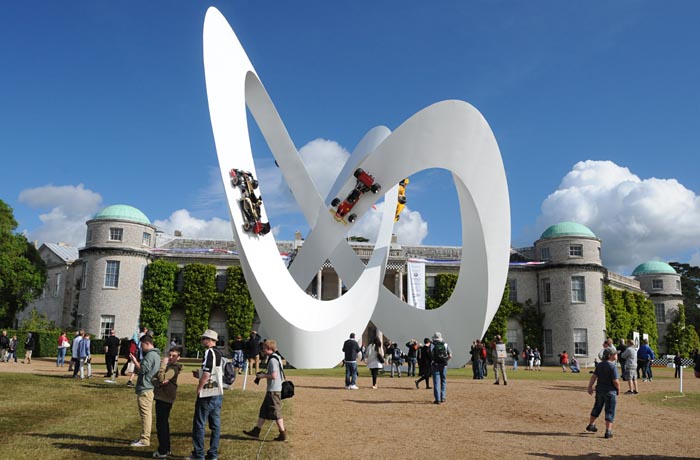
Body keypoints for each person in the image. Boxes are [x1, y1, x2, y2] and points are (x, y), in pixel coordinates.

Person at [187, 329, 223, 460]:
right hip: (218, 392)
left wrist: (199, 388)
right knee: (215, 426)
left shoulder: (209, 352)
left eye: (203, 339)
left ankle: (199, 454)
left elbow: (207, 373)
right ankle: (213, 454)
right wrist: (200, 374)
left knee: (199, 424)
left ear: (209, 340)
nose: (202, 341)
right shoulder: (219, 353)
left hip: (208, 393)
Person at [243, 339, 288, 441]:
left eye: (263, 348)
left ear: (269, 348)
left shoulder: (272, 360)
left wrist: (263, 376)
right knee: (263, 411)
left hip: (273, 390)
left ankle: (283, 434)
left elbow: (274, 375)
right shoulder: (277, 357)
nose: (262, 350)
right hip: (272, 389)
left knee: (276, 413)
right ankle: (256, 431)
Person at [129, 334, 161, 448]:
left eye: (142, 345)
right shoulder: (156, 355)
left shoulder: (150, 355)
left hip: (145, 387)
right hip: (149, 387)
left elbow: (142, 370)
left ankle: (145, 439)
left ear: (147, 344)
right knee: (147, 414)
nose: (141, 348)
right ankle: (144, 437)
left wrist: (134, 361)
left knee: (145, 415)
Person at [153, 346, 182, 458]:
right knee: (163, 423)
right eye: (169, 355)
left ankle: (163, 450)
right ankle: (166, 448)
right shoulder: (170, 367)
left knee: (162, 425)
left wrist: (163, 364)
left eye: (174, 356)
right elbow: (157, 378)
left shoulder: (173, 368)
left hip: (165, 398)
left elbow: (161, 378)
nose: (170, 357)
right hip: (163, 397)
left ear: (178, 357)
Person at [585, 348, 620, 439]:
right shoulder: (612, 366)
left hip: (600, 390)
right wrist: (618, 389)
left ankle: (591, 424)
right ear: (610, 356)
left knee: (597, 407)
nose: (617, 355)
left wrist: (590, 387)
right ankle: (608, 431)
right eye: (615, 354)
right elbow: (615, 381)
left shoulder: (600, 365)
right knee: (610, 410)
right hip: (610, 391)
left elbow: (594, 376)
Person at [431, 331, 452, 404]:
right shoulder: (445, 345)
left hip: (435, 364)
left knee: (436, 382)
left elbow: (431, 355)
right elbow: (450, 355)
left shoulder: (432, 345)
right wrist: (445, 360)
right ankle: (443, 397)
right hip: (444, 365)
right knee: (443, 380)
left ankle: (437, 399)